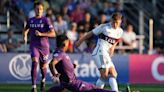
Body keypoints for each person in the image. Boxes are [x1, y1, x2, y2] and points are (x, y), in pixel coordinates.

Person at [47, 34, 113, 92]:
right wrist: (54, 75)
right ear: (64, 43)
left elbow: (61, 65)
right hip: (73, 83)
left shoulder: (60, 52)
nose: (69, 45)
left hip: (69, 82)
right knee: (93, 88)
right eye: (68, 43)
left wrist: (71, 65)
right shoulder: (60, 53)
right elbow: (51, 64)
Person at [76, 12, 123, 92]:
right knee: (106, 74)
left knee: (112, 74)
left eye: (117, 23)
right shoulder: (104, 27)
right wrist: (80, 41)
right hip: (100, 52)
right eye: (114, 22)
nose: (115, 25)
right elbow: (90, 34)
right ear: (111, 20)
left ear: (120, 22)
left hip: (106, 54)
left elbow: (116, 41)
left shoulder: (120, 31)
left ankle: (98, 90)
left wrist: (112, 49)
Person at [23, 2, 56, 92]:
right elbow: (25, 29)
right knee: (35, 62)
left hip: (44, 46)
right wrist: (25, 35)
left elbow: (53, 33)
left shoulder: (46, 20)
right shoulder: (31, 20)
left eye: (40, 9)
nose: (39, 10)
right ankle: (33, 87)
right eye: (37, 9)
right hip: (34, 45)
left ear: (43, 10)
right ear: (34, 10)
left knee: (43, 67)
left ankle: (43, 80)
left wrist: (41, 34)